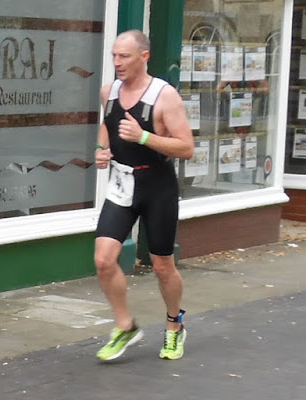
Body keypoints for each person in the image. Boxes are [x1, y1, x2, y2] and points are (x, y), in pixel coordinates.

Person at [94, 29, 194, 361]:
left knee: (162, 265)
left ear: (144, 57)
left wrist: (144, 137)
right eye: (114, 55)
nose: (117, 62)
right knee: (104, 260)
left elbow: (186, 148)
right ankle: (126, 326)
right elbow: (108, 125)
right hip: (122, 184)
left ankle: (174, 325)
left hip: (157, 187)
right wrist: (101, 149)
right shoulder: (109, 91)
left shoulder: (165, 97)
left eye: (124, 56)